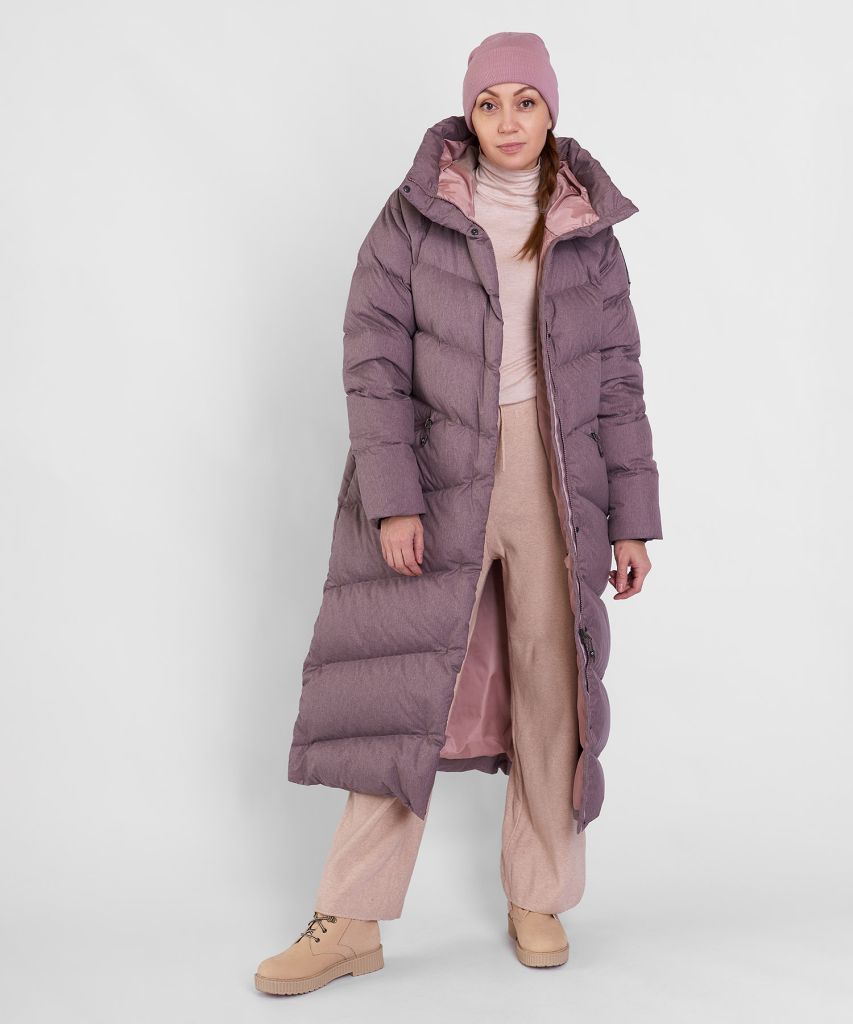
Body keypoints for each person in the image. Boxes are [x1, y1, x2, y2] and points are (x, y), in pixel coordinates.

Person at [255, 31, 662, 997]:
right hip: (439, 478)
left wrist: (632, 520)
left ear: (550, 111)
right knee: (409, 695)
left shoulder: (586, 228)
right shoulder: (413, 216)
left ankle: (539, 894)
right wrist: (393, 500)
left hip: (556, 482)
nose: (507, 121)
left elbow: (616, 381)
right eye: (489, 103)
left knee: (550, 689)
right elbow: (372, 362)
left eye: (526, 101)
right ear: (467, 113)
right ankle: (349, 920)